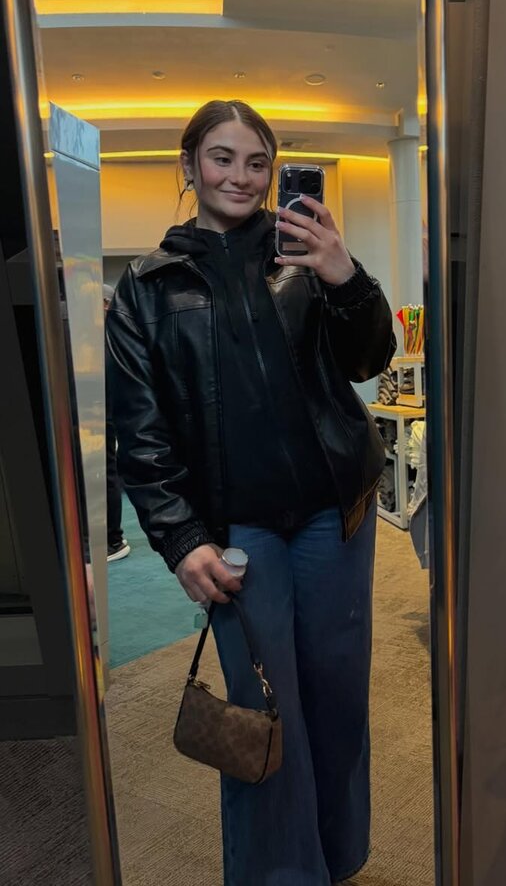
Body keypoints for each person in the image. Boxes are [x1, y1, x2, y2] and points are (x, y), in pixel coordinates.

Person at [105, 99, 395, 885]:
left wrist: (344, 275)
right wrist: (178, 536)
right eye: (222, 157)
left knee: (337, 692)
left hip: (333, 514)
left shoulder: (305, 258)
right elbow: (141, 430)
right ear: (189, 165)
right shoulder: (147, 287)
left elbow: (369, 360)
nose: (240, 176)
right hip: (238, 530)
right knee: (263, 709)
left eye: (257, 162)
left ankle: (337, 858)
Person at [103, 284, 129, 562]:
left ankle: (113, 539)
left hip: (111, 411)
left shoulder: (113, 332)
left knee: (106, 468)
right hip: (108, 409)